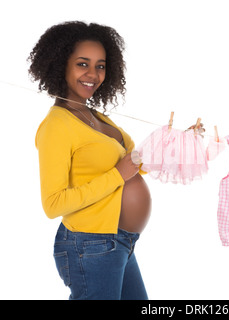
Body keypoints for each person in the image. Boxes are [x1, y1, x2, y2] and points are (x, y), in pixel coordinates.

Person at [29, 21, 152, 300]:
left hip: (120, 241)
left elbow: (136, 163)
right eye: (82, 64)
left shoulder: (94, 116)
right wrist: (117, 176)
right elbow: (53, 204)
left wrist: (181, 144)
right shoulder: (56, 126)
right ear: (61, 64)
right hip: (90, 244)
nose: (93, 74)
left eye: (100, 65)